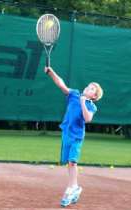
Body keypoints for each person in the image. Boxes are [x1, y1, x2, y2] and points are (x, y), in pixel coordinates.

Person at [44, 66, 103, 207]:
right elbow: (61, 84)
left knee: (73, 162)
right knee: (69, 163)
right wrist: (51, 72)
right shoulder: (74, 94)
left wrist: (83, 102)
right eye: (88, 86)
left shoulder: (91, 106)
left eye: (92, 89)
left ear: (94, 96)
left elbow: (87, 119)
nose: (88, 88)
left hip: (77, 136)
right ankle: (75, 187)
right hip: (66, 133)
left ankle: (70, 189)